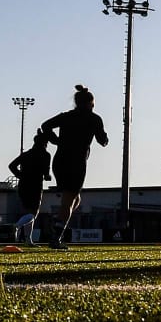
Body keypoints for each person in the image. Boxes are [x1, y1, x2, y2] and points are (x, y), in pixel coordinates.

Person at [40, 84, 108, 249]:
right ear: (91, 103)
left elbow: (45, 125)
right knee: (69, 201)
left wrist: (55, 140)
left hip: (60, 159)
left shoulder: (67, 116)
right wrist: (104, 136)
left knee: (75, 199)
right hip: (76, 162)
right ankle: (56, 236)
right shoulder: (94, 119)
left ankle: (58, 224)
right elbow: (102, 141)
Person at [7, 128, 51, 246]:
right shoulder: (46, 155)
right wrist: (48, 176)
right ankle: (17, 226)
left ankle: (28, 239)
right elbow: (46, 174)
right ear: (45, 143)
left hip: (23, 184)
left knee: (28, 212)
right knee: (33, 213)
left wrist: (20, 175)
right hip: (35, 185)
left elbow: (11, 165)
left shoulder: (26, 154)